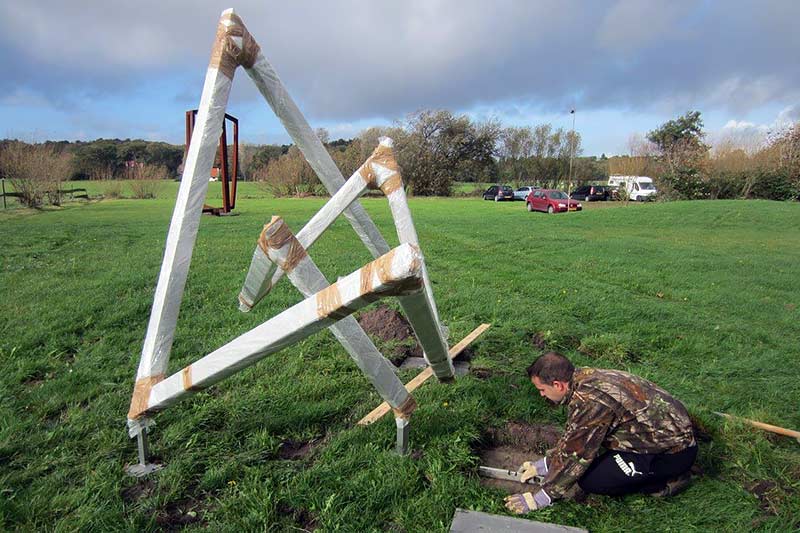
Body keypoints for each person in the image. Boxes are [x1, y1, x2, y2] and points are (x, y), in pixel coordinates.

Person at [504, 352, 697, 514]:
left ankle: (666, 482)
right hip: (653, 434)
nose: (541, 395)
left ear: (558, 385)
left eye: (542, 389)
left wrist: (543, 497)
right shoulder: (585, 377)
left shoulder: (590, 402)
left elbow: (579, 452)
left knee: (591, 481)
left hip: (670, 453)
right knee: (592, 456)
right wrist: (545, 464)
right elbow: (576, 435)